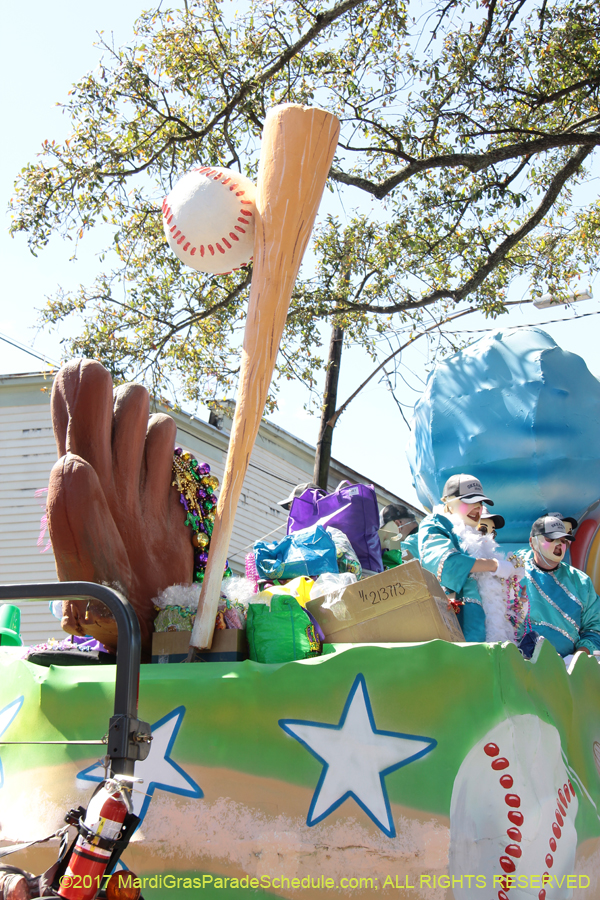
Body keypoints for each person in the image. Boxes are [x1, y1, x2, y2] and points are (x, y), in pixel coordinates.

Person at [418, 474, 524, 641]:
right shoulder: (436, 523)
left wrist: (514, 598)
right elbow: (447, 564)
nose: (477, 507)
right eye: (469, 501)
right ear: (449, 503)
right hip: (454, 631)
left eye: (480, 503)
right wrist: (494, 565)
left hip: (484, 637)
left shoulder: (481, 540)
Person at [518, 516, 600, 657]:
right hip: (518, 666)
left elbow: (594, 628)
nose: (559, 544)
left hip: (566, 671)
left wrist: (578, 658)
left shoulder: (581, 581)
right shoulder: (513, 571)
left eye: (563, 540)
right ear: (533, 542)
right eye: (551, 539)